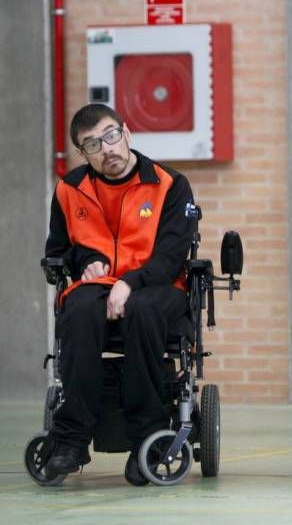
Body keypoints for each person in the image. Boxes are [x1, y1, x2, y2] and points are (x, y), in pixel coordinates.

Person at [44, 103, 195, 485]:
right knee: (76, 310)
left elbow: (173, 255)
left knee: (143, 310)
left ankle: (147, 436)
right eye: (92, 144)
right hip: (96, 288)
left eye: (111, 136)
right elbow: (57, 252)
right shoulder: (68, 190)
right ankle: (70, 439)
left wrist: (130, 282)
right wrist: (85, 261)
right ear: (83, 153)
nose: (107, 149)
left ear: (126, 134)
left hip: (158, 287)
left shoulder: (169, 184)